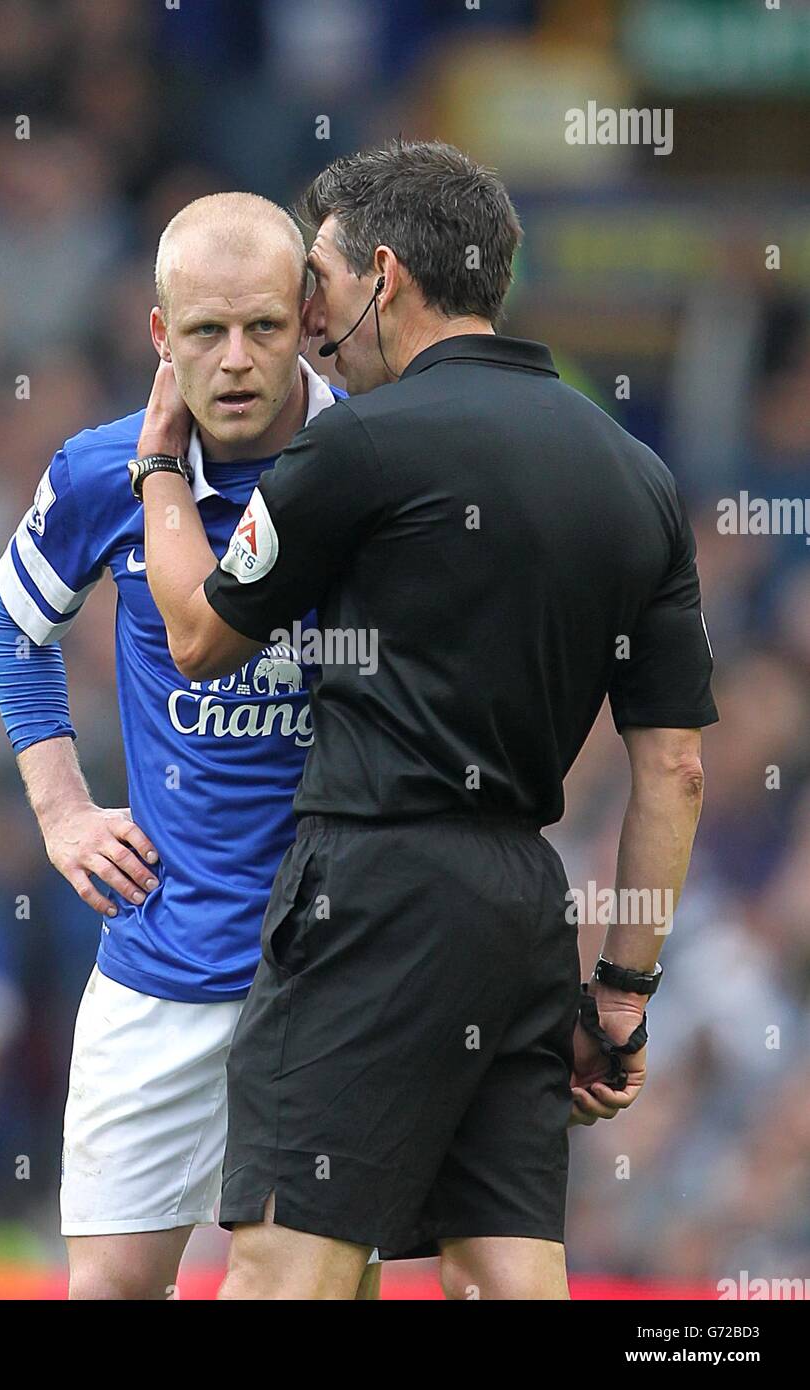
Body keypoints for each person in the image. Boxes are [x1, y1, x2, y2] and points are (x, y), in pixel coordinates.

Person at [139, 139, 719, 1300]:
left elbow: (203, 635)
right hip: (521, 908)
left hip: (372, 890)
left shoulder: (360, 442)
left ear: (382, 276)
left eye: (321, 283)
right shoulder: (637, 474)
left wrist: (160, 466)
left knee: (280, 1265)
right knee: (507, 1271)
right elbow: (679, 773)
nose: (309, 321)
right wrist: (619, 995)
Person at [0, 191, 381, 1299]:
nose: (238, 359)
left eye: (263, 325)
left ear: (310, 314)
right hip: (165, 955)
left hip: (340, 965)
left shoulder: (385, 461)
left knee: (320, 1286)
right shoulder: (102, 471)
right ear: (161, 334)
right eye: (206, 331)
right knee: (108, 1284)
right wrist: (62, 807)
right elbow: (13, 623)